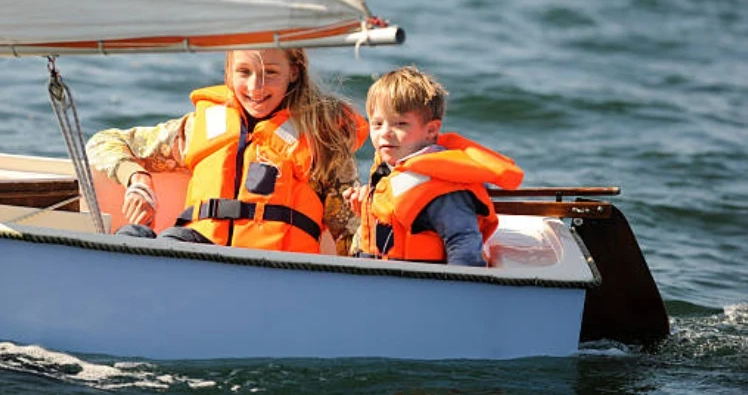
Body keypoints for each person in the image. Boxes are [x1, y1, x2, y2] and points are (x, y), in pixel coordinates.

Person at [86, 48, 367, 255]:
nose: (256, 87)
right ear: (229, 72)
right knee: (131, 237)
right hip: (199, 250)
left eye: (270, 73)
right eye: (244, 72)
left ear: (294, 72)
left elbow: (349, 229)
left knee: (170, 243)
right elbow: (103, 142)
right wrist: (137, 178)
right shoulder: (198, 127)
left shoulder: (322, 139)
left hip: (277, 267)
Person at [343, 66, 523, 265]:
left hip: (419, 287)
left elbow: (464, 243)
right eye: (377, 124)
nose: (385, 133)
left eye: (400, 124)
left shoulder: (442, 186)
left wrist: (454, 292)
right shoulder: (391, 168)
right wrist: (366, 205)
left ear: (431, 131)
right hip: (383, 279)